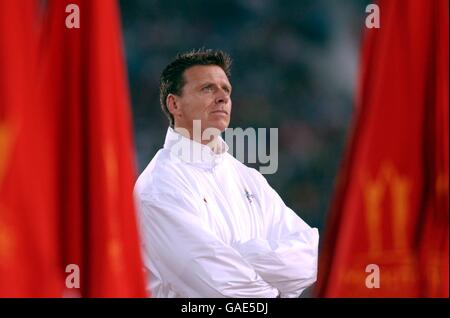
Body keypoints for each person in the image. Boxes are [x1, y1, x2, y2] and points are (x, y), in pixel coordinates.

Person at [134, 49, 319, 298]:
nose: (222, 97)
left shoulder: (249, 178)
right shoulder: (158, 187)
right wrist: (275, 287)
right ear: (174, 104)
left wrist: (246, 253)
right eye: (207, 88)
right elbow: (218, 288)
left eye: (226, 90)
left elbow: (309, 257)